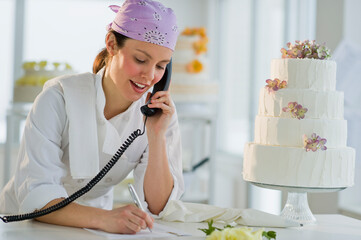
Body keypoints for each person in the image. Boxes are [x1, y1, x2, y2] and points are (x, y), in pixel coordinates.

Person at [0, 0, 184, 234]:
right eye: (140, 60)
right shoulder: (58, 99)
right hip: (26, 226)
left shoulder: (159, 113)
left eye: (161, 66)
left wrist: (157, 136)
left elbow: (158, 207)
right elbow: (37, 194)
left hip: (93, 229)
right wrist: (106, 219)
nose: (149, 76)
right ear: (111, 44)